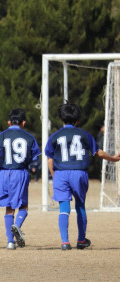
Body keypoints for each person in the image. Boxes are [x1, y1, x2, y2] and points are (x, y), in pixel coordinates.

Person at [45, 103, 120, 250]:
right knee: (80, 205)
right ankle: (81, 240)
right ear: (77, 120)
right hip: (79, 172)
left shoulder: (55, 136)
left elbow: (49, 158)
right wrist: (113, 158)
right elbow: (98, 153)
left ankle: (65, 242)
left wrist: (54, 175)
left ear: (61, 119)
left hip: (61, 173)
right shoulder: (85, 135)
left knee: (64, 207)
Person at [0, 108, 41, 250]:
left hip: (4, 173)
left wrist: (1, 168)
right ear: (23, 123)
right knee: (23, 206)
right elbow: (35, 157)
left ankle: (10, 242)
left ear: (8, 122)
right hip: (20, 172)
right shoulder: (29, 137)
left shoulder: (1, 136)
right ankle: (17, 226)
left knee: (8, 207)